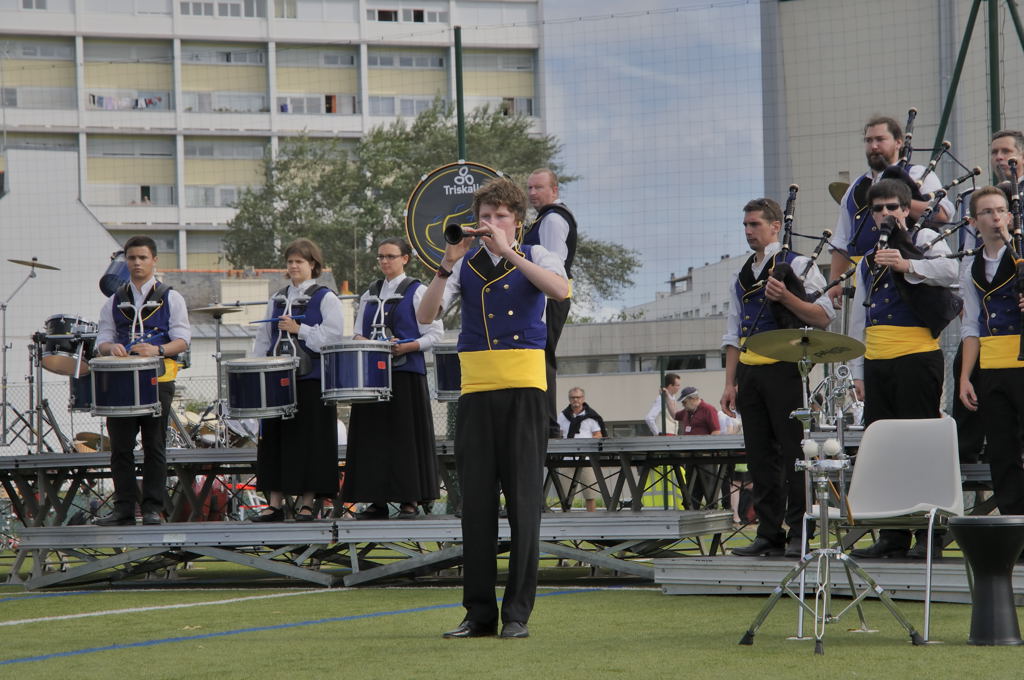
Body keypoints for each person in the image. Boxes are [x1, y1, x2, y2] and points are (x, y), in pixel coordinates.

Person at [419, 177, 569, 640]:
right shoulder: (463, 264)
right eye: (484, 216)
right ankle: (478, 613)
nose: (490, 223)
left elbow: (560, 290)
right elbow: (425, 316)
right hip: (477, 391)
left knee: (524, 504)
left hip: (526, 390)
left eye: (500, 216)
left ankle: (517, 614)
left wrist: (512, 253)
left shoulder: (537, 254)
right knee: (476, 505)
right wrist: (446, 264)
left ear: (517, 221)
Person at [848, 179, 959, 559]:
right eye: (878, 208)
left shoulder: (925, 238)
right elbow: (859, 319)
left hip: (916, 356)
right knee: (884, 450)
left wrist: (907, 263)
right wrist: (858, 371)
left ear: (906, 209)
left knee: (920, 446)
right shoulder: (866, 259)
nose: (885, 214)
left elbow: (952, 272)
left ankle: (929, 534)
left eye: (892, 207)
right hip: (877, 361)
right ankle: (892, 534)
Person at [721, 198, 835, 558]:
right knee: (759, 458)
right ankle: (768, 532)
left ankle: (801, 530)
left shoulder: (798, 264)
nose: (748, 231)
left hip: (786, 369)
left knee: (794, 455)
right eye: (745, 225)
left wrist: (785, 296)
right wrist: (730, 383)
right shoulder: (740, 276)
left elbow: (823, 315)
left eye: (755, 224)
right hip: (750, 373)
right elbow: (732, 334)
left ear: (775, 226)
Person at [93, 235, 191, 526]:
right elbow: (102, 339)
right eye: (132, 258)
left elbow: (182, 340)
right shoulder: (114, 300)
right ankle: (123, 509)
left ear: (154, 260)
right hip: (121, 382)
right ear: (126, 261)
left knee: (154, 445)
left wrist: (157, 350)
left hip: (157, 379)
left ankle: (152, 508)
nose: (137, 263)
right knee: (120, 447)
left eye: (142, 257)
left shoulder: (171, 297)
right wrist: (111, 348)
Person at [344, 237, 443, 519]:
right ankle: (376, 501)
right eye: (381, 257)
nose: (384, 261)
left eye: (390, 256)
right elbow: (357, 333)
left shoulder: (417, 290)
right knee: (373, 438)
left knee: (405, 438)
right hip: (372, 378)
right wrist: (374, 345)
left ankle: (410, 499)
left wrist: (407, 346)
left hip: (405, 374)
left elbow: (435, 334)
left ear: (405, 259)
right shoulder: (370, 293)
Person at [251, 238, 344, 522]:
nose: (293, 266)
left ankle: (307, 503)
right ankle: (274, 504)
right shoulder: (277, 298)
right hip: (278, 380)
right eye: (290, 261)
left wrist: (299, 329)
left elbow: (332, 338)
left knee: (310, 441)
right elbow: (263, 338)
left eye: (299, 262)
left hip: (311, 380)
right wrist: (258, 369)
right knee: (275, 440)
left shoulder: (326, 297)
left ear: (312, 264)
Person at [829, 115, 952, 307]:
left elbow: (942, 214)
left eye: (880, 139)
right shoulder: (855, 187)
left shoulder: (918, 174)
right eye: (869, 140)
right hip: (866, 280)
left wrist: (899, 202)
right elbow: (842, 238)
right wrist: (834, 281)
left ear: (898, 143)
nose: (873, 146)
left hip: (912, 281)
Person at [958, 186, 1024, 515]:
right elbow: (971, 325)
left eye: (1001, 211)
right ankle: (1013, 522)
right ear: (973, 221)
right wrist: (965, 377)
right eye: (987, 212)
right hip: (992, 364)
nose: (996, 217)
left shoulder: (1021, 256)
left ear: (1010, 217)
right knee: (1002, 448)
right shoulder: (970, 267)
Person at [525, 168, 577, 438]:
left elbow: (553, 265)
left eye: (539, 187)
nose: (532, 193)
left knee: (542, 357)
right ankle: (543, 422)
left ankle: (547, 425)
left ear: (554, 189)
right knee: (539, 357)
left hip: (549, 297)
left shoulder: (553, 220)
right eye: (530, 188)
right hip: (548, 297)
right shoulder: (545, 218)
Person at [556, 386, 607, 512]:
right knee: (564, 495)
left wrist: (587, 444)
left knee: (590, 494)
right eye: (573, 397)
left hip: (587, 459)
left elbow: (598, 435)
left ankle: (592, 519)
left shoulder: (591, 416)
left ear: (583, 398)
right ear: (569, 399)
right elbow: (558, 434)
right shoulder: (562, 416)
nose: (575, 400)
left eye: (578, 397)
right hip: (567, 458)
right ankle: (565, 519)